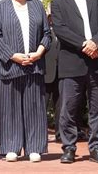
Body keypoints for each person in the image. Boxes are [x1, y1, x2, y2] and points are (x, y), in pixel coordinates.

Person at [51, 0, 98, 164]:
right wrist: (84, 45)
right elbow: (60, 29)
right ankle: (69, 147)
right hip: (72, 61)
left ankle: (96, 147)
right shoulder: (58, 2)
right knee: (69, 108)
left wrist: (95, 43)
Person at [0, 0, 50, 163]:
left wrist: (40, 52)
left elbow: (47, 34)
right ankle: (11, 147)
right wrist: (13, 56)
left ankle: (34, 147)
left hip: (34, 64)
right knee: (10, 109)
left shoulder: (37, 6)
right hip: (11, 66)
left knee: (34, 107)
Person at [44, 10, 61, 142]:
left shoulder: (63, 33)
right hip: (45, 74)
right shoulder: (44, 33)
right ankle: (41, 133)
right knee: (43, 105)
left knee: (60, 106)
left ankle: (60, 133)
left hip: (61, 73)